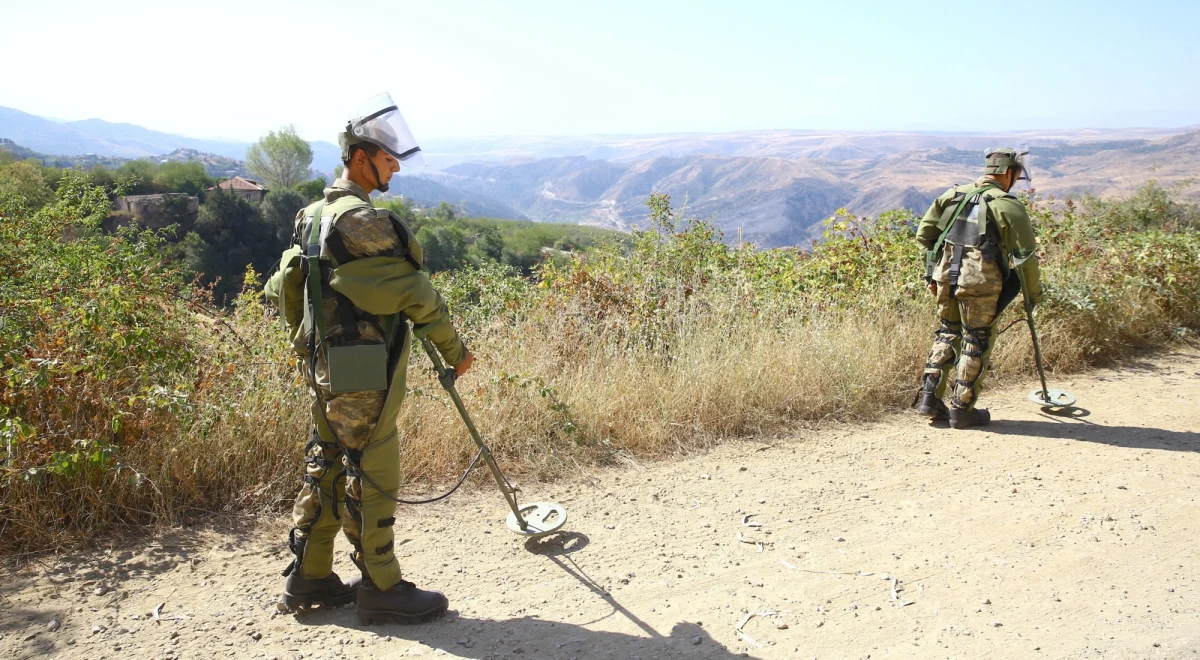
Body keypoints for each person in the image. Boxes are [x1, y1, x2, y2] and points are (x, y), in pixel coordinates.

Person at [265, 93, 474, 624]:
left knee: (327, 462)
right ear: (361, 158)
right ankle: (382, 586)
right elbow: (416, 293)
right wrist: (456, 352)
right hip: (361, 366)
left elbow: (284, 291)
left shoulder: (311, 216)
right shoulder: (363, 220)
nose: (395, 167)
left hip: (323, 365)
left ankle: (310, 575)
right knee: (373, 465)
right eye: (387, 158)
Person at [913, 148, 1043, 429]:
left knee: (948, 332)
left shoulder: (953, 195)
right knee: (976, 339)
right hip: (980, 282)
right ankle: (963, 410)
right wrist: (1033, 295)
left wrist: (931, 276)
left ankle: (929, 400)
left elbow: (925, 236)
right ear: (1010, 173)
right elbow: (1025, 256)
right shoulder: (1006, 205)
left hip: (945, 276)